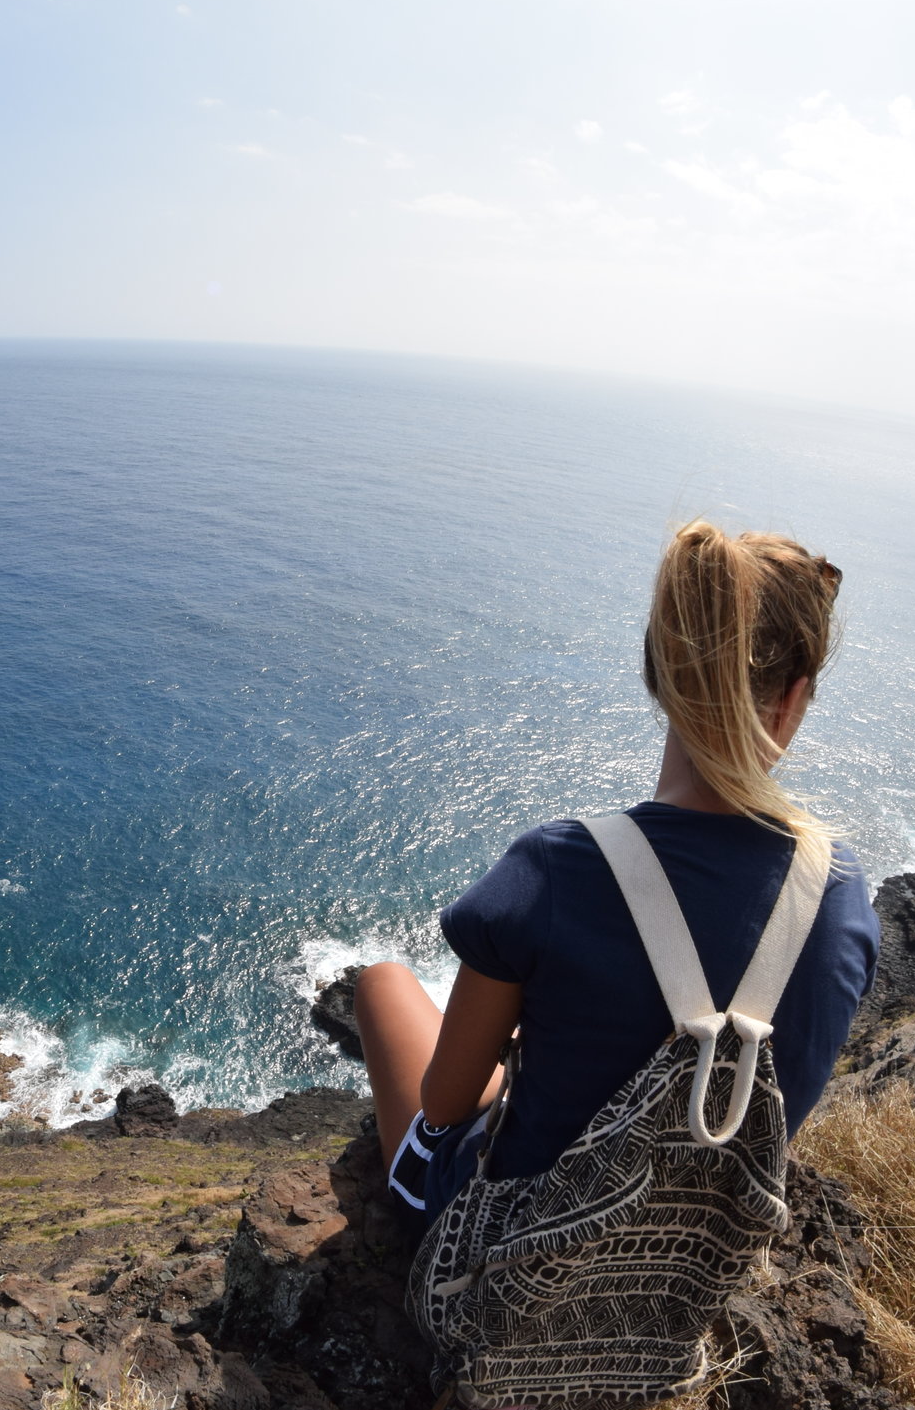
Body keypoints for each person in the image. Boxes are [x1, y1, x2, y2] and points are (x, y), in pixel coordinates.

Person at [357, 521, 880, 1227]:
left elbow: (444, 1104)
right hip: (682, 1273)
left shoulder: (552, 869)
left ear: (656, 671)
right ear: (792, 697)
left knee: (382, 980)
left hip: (513, 1263)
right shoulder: (841, 898)